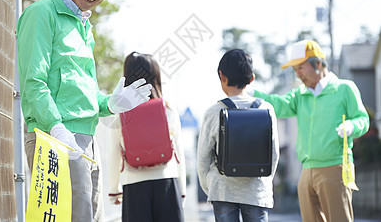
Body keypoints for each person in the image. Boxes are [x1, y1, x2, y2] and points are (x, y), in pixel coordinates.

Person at [17, 0, 152, 222]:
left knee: (88, 217)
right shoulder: (43, 14)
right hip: (55, 137)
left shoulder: (83, 27)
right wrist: (56, 128)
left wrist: (111, 104)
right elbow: (34, 81)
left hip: (86, 142)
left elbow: (82, 93)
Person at [252, 40, 370, 222]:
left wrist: (352, 126)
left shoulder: (344, 89)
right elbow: (279, 105)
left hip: (335, 166)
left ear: (318, 63)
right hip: (306, 170)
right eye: (295, 70)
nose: (297, 74)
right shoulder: (300, 95)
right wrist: (251, 93)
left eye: (301, 68)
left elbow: (363, 119)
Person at [197, 49, 280, 222]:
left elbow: (203, 158)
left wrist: (211, 186)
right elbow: (274, 154)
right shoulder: (266, 109)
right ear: (251, 78)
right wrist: (262, 180)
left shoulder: (214, 112)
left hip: (222, 190)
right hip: (256, 191)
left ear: (222, 76)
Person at [106, 52, 187, 222]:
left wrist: (114, 190)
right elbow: (178, 152)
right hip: (167, 180)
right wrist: (182, 190)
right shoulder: (168, 109)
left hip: (134, 184)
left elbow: (114, 154)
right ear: (156, 77)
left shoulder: (122, 113)